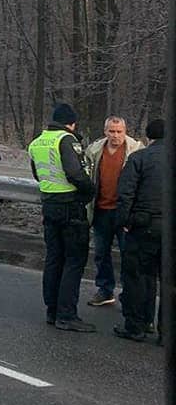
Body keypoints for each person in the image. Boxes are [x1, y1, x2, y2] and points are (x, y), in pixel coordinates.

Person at [27, 103, 96, 332]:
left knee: (54, 258)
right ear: (71, 123)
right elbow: (76, 173)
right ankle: (67, 315)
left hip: (49, 204)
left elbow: (38, 174)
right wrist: (89, 192)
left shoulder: (36, 142)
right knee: (74, 261)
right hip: (70, 206)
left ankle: (52, 311)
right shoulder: (66, 140)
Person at [113, 118, 165, 343]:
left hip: (144, 227)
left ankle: (137, 325)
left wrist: (124, 222)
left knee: (138, 276)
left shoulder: (138, 158)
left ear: (148, 137)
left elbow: (125, 194)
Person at [84, 117, 143, 307]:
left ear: (125, 131)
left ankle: (129, 293)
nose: (115, 135)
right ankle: (105, 289)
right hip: (101, 209)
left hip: (125, 212)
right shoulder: (95, 151)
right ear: (105, 131)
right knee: (101, 253)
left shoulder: (136, 150)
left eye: (119, 131)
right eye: (111, 131)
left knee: (129, 255)